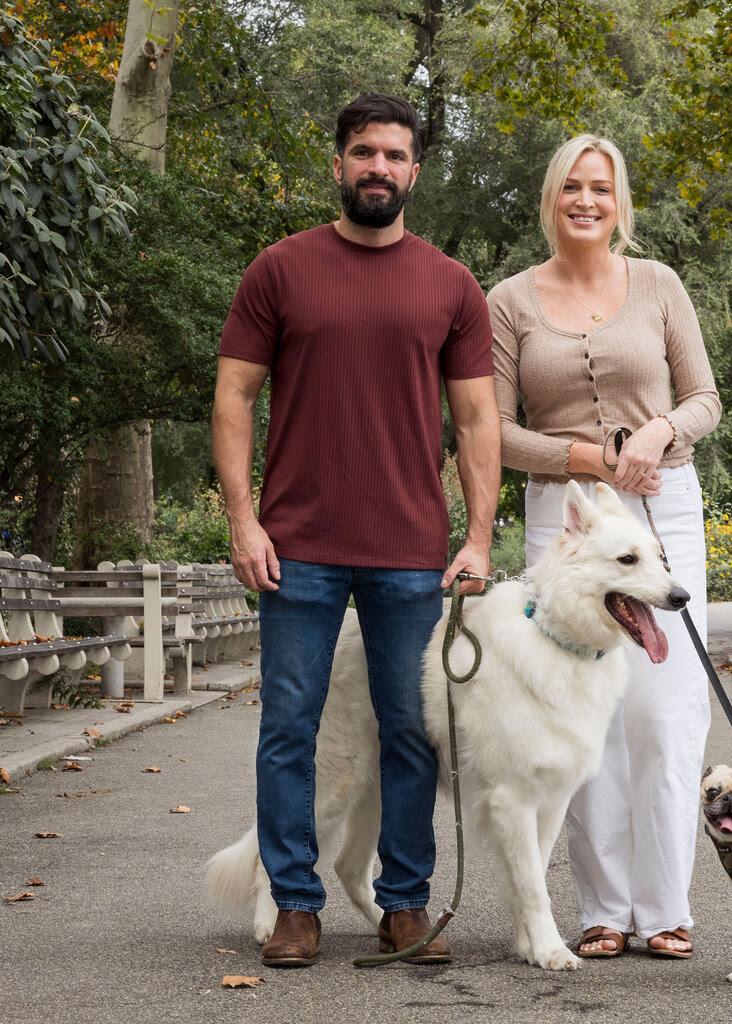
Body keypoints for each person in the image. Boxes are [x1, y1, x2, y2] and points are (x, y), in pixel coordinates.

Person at [212, 93, 500, 968]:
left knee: (411, 731)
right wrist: (242, 521)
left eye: (395, 155)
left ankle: (404, 905)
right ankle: (296, 904)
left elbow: (479, 419)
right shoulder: (279, 269)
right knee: (288, 728)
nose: (379, 167)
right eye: (364, 152)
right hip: (293, 544)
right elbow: (233, 395)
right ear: (338, 164)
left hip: (412, 547)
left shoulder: (450, 284)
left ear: (415, 171)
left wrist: (479, 536)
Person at [487, 135, 721, 960]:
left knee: (663, 706)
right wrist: (588, 459)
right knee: (574, 708)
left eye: (602, 189)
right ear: (552, 199)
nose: (586, 201)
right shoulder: (509, 300)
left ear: (620, 203)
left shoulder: (658, 285)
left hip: (664, 508)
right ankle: (601, 908)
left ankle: (664, 906)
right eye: (571, 188)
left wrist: (658, 431)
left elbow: (704, 398)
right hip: (566, 516)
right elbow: (498, 432)